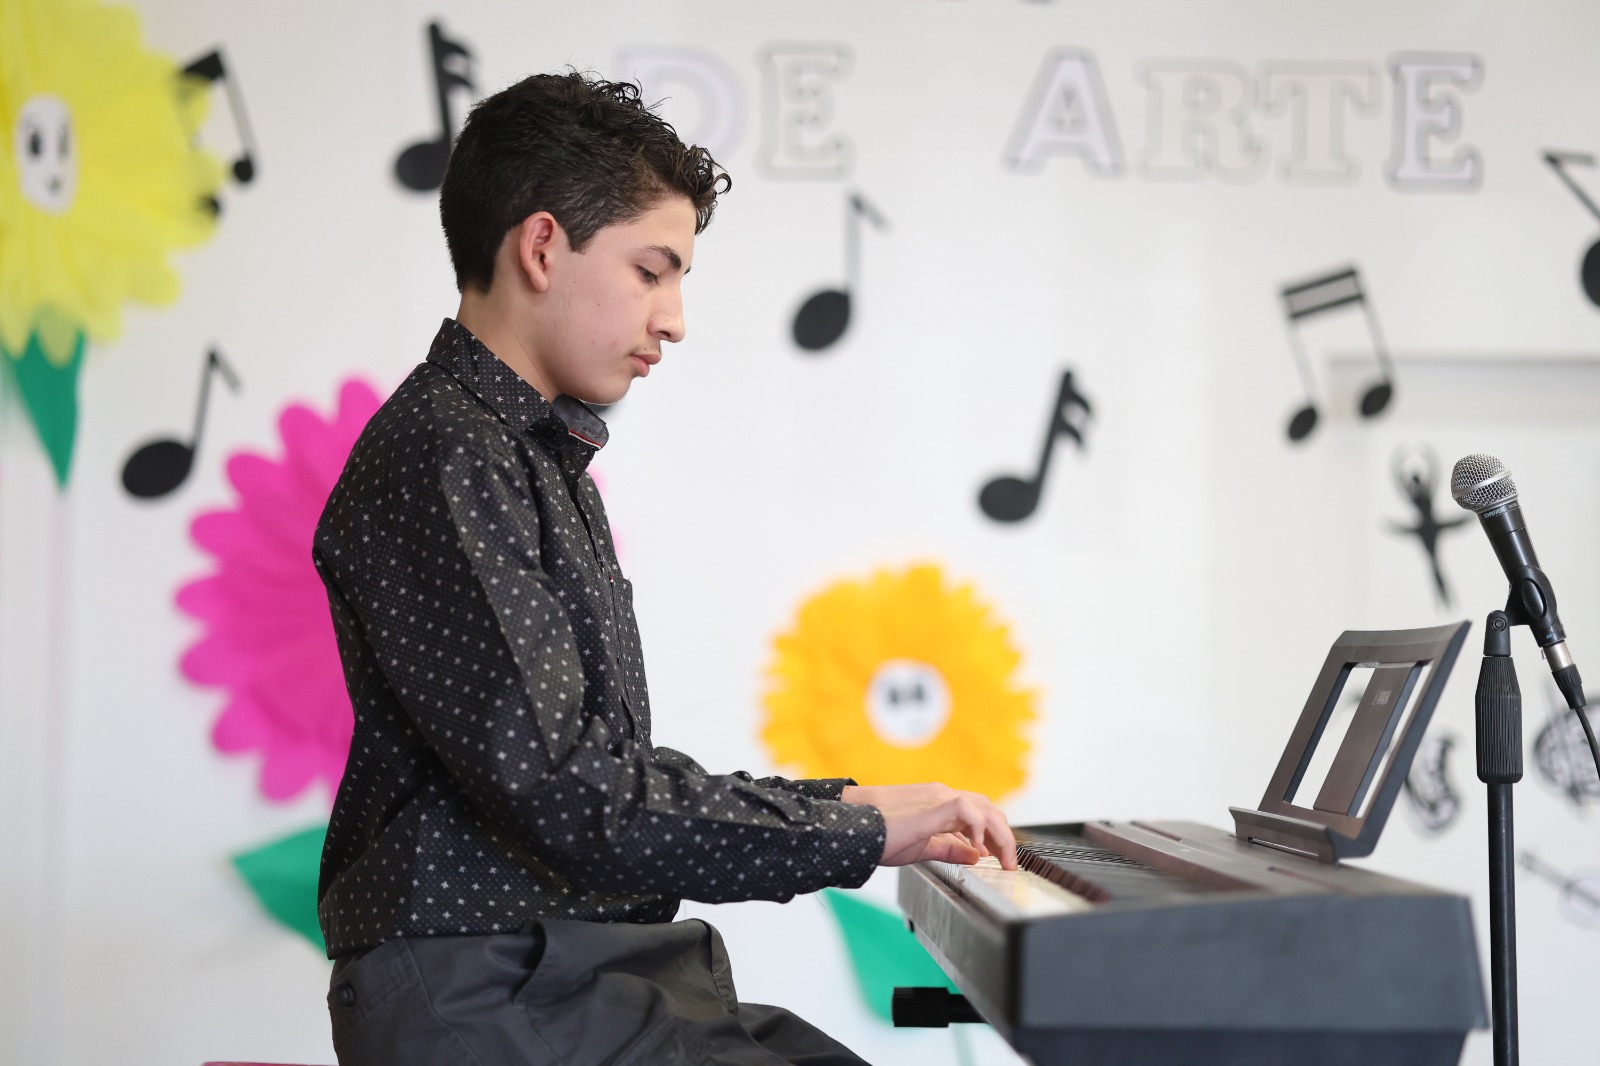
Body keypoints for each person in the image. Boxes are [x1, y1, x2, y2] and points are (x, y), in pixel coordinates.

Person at [312, 71, 1016, 1066]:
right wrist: (853, 829)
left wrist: (850, 808)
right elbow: (576, 793)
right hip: (486, 986)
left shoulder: (525, 454)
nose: (675, 318)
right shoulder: (449, 451)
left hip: (562, 970)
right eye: (652, 271)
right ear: (542, 247)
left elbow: (588, 778)